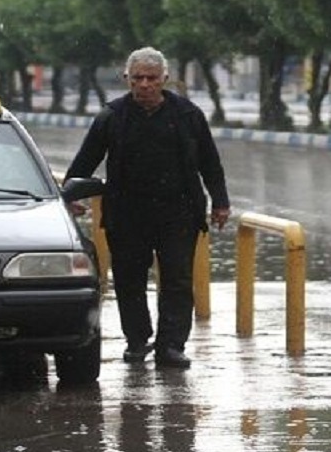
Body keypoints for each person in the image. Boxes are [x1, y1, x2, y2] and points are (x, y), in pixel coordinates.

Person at [65, 46, 231, 369]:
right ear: (127, 79)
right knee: (129, 280)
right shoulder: (111, 117)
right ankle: (137, 341)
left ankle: (171, 346)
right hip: (127, 214)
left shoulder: (188, 116)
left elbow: (210, 164)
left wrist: (220, 202)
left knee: (177, 281)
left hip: (179, 213)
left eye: (151, 78)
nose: (144, 84)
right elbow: (84, 162)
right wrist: (71, 194)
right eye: (137, 78)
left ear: (164, 79)